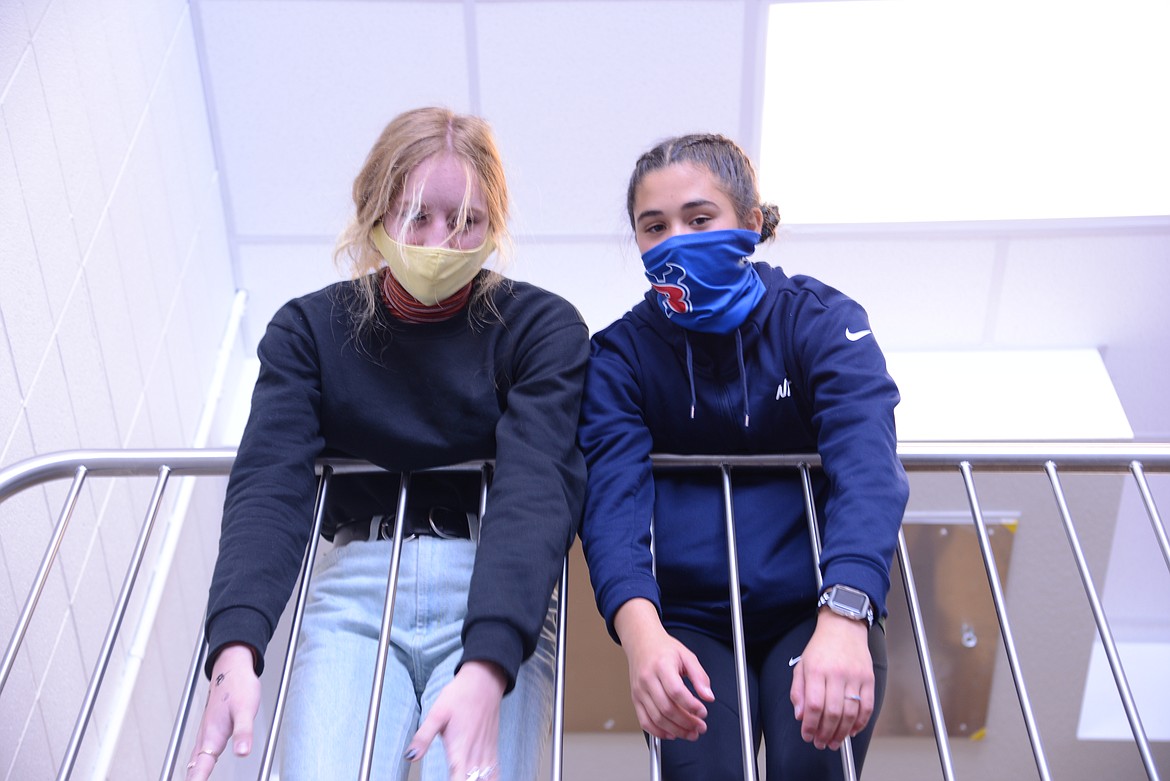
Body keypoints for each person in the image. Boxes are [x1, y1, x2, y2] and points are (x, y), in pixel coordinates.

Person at [185, 107, 589, 781]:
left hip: (488, 586)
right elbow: (270, 482)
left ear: (495, 228)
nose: (442, 241)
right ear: (374, 213)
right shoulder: (310, 329)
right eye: (418, 215)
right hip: (354, 593)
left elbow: (537, 485)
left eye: (467, 222)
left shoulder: (540, 326)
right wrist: (235, 643)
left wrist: (490, 661)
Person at [577, 133, 909, 780]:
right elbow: (610, 506)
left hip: (818, 605)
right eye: (655, 226)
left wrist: (845, 614)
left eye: (700, 219)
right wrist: (641, 639)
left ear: (751, 222)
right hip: (687, 621)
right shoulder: (618, 356)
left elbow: (868, 470)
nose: (676, 239)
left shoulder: (817, 320)